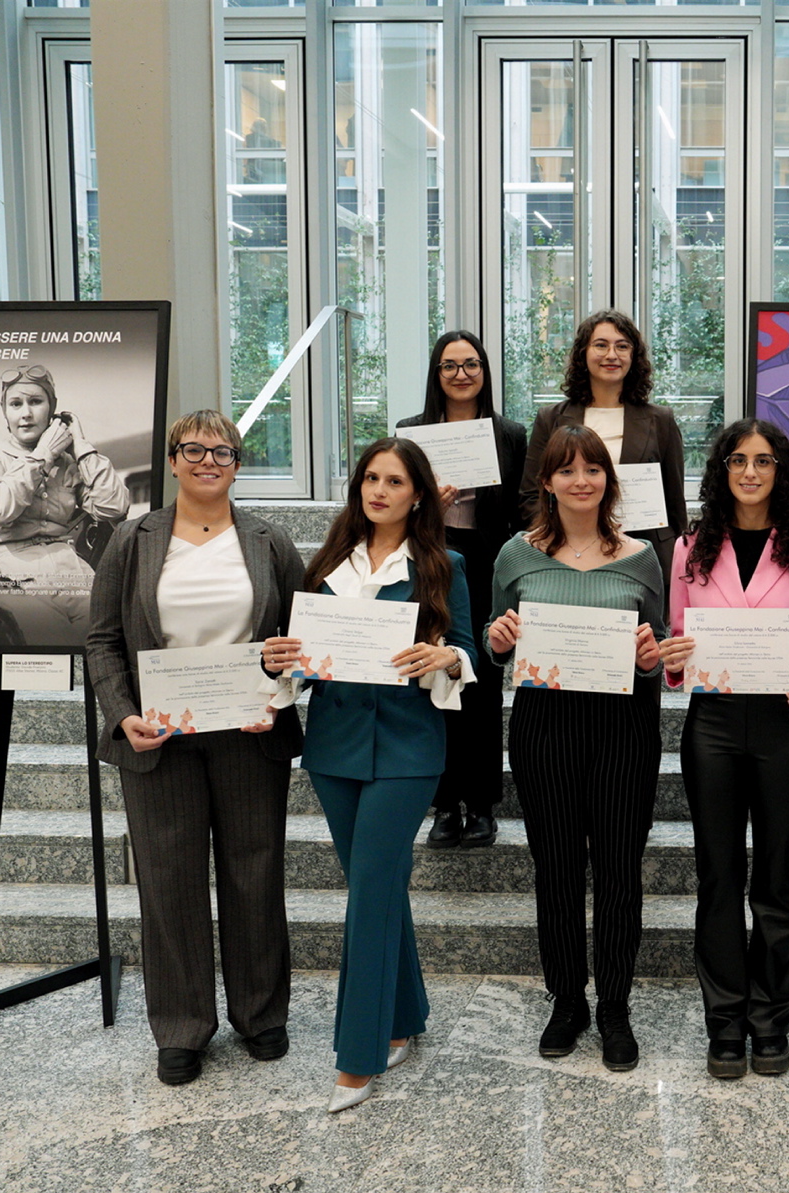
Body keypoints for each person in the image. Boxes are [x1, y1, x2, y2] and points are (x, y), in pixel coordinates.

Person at [84, 410, 304, 1088]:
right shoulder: (132, 539)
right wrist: (122, 716)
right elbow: (101, 640)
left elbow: (301, 638)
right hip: (161, 738)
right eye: (194, 449)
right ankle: (181, 1026)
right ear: (173, 461)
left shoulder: (270, 542)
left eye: (224, 451)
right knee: (169, 882)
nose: (209, 460)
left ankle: (260, 1015)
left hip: (247, 734)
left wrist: (280, 696)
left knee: (254, 874)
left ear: (239, 464)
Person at [262, 437, 475, 1112]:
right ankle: (406, 1015)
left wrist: (442, 656)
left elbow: (467, 651)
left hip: (410, 748)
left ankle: (357, 1057)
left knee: (371, 892)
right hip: (334, 747)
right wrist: (278, 662)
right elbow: (297, 656)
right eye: (371, 478)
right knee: (375, 888)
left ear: (419, 494)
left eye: (395, 480)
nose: (379, 490)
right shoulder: (325, 564)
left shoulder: (445, 564)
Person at [658, 418, 789, 1080]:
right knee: (717, 879)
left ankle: (769, 1018)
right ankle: (723, 1021)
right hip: (712, 723)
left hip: (784, 725)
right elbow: (678, 640)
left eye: (763, 461)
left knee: (775, 880)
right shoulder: (689, 547)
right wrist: (672, 660)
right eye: (737, 460)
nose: (749, 472)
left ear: (781, 471)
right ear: (721, 470)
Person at [486, 424, 666, 1072]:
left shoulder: (641, 556)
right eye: (567, 470)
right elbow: (491, 633)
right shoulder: (516, 553)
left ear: (608, 481)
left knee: (618, 871)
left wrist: (651, 658)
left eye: (593, 468)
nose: (581, 480)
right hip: (543, 727)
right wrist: (499, 638)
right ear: (548, 482)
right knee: (555, 868)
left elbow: (659, 645)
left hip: (623, 730)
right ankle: (567, 1000)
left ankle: (614, 1005)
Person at [396, 330, 530, 850]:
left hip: (487, 563)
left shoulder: (509, 433)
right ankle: (444, 804)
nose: (461, 374)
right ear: (436, 374)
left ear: (484, 372)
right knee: (434, 677)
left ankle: (482, 805)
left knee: (482, 685)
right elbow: (394, 498)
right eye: (449, 365)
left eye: (471, 364)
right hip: (430, 560)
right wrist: (430, 501)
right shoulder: (412, 432)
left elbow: (521, 509)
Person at [522, 310, 688, 588]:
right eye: (601, 345)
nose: (612, 354)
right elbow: (530, 496)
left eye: (622, 346)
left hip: (643, 553)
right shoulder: (550, 419)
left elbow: (674, 502)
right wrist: (556, 539)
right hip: (565, 554)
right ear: (583, 353)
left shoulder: (661, 421)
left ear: (633, 357)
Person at [0, 363, 131, 629]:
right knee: (52, 636)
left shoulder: (69, 461)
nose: (26, 413)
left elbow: (114, 508)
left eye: (35, 402)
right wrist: (43, 455)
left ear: (52, 409)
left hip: (73, 571)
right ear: (5, 412)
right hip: (14, 573)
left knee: (108, 634)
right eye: (15, 404)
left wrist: (81, 446)